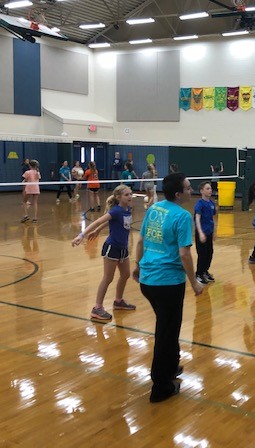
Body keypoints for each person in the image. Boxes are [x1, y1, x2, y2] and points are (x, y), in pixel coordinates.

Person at [132, 173, 204, 403]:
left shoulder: (154, 209)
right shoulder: (183, 216)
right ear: (178, 193)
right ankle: (160, 386)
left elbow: (141, 241)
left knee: (169, 327)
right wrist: (194, 282)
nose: (191, 190)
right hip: (167, 283)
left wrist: (137, 265)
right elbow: (184, 254)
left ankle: (171, 367)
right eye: (188, 187)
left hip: (148, 280)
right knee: (166, 332)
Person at [71, 185, 137, 321]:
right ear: (119, 197)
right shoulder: (116, 210)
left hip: (123, 248)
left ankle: (118, 301)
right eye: (127, 195)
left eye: (131, 194)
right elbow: (98, 221)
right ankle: (97, 308)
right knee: (108, 278)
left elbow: (109, 223)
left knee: (125, 274)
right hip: (112, 247)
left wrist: (99, 230)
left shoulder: (128, 209)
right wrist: (82, 235)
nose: (130, 197)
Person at [194, 181, 217, 284]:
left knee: (209, 253)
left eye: (210, 188)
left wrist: (215, 232)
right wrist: (200, 233)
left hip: (209, 232)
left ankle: (205, 271)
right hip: (201, 233)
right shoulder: (199, 204)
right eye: (207, 188)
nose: (210, 190)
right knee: (202, 254)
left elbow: (213, 218)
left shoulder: (212, 203)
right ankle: (198, 274)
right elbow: (197, 219)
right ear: (201, 191)